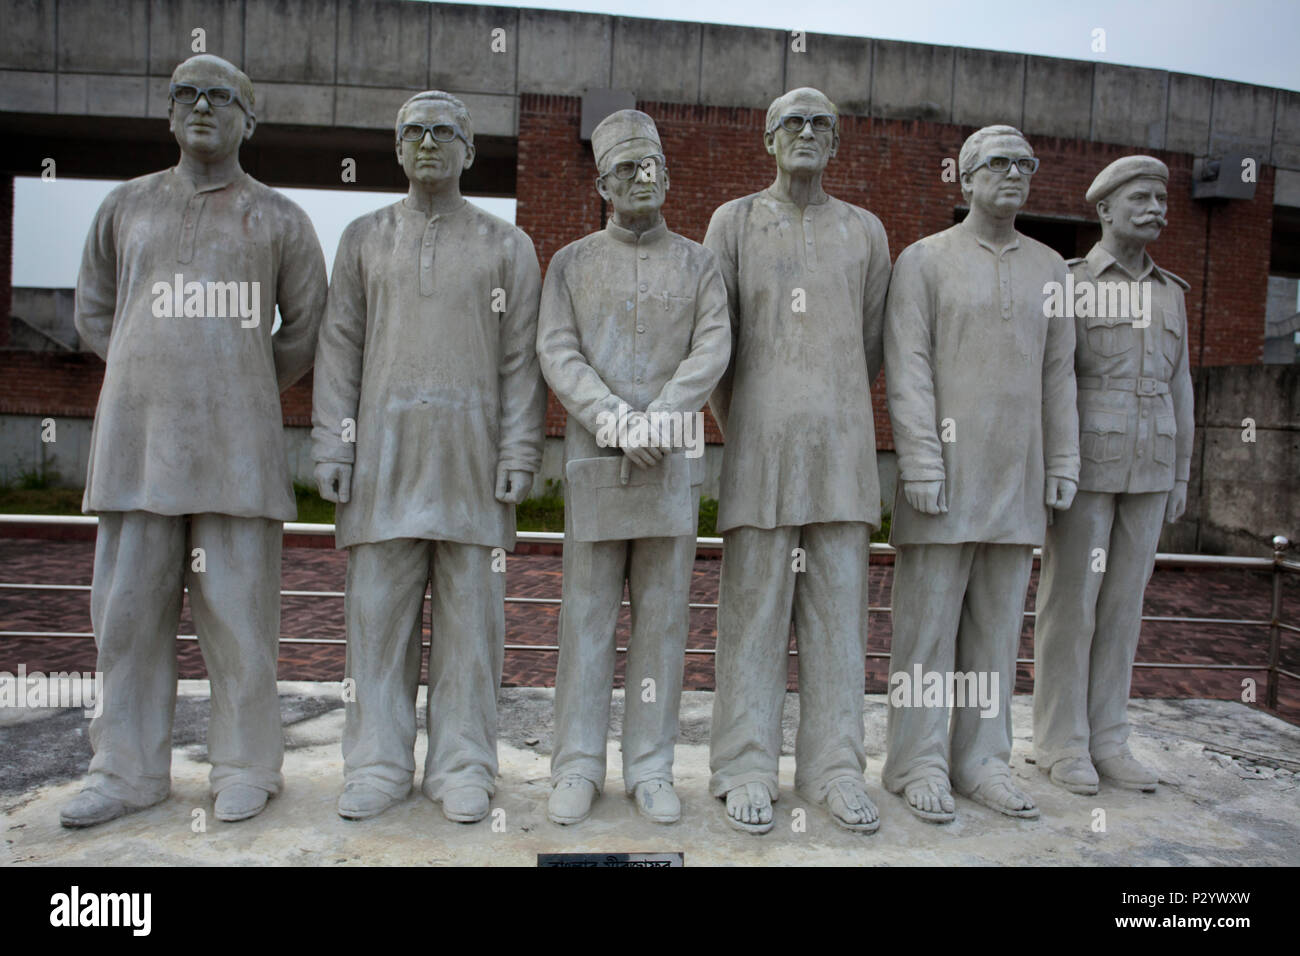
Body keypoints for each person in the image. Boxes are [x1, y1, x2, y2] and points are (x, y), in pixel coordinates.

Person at [64, 54, 327, 827]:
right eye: (188, 94)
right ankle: (124, 768)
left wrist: (232, 379)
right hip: (137, 444)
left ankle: (246, 764)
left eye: (223, 97)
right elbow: (94, 313)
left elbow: (305, 329)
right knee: (126, 615)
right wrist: (158, 372)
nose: (203, 107)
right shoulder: (126, 207)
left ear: (251, 119)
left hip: (237, 450)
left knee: (240, 617)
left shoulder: (280, 219)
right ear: (170, 111)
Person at [311, 91, 545, 823]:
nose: (430, 142)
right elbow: (339, 346)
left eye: (446, 132)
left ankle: (464, 763)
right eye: (415, 131)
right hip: (382, 464)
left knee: (473, 633)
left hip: (473, 465)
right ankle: (377, 762)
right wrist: (334, 443)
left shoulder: (507, 246)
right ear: (398, 146)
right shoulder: (363, 238)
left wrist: (519, 447)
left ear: (471, 150)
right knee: (377, 628)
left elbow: (522, 362)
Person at [705, 88, 891, 835]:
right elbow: (715, 346)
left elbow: (870, 344)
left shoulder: (865, 232)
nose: (808, 133)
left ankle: (835, 766)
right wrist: (749, 422)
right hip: (759, 451)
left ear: (837, 142)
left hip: (843, 456)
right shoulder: (735, 223)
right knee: (751, 617)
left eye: (823, 124)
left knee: (840, 619)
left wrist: (829, 409)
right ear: (769, 139)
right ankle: (744, 764)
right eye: (793, 123)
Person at [537, 109, 730, 825]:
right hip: (596, 459)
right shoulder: (572, 263)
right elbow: (558, 351)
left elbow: (712, 349)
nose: (640, 179)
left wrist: (662, 419)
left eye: (650, 167)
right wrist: (617, 420)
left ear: (668, 177)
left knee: (662, 619)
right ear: (601, 183)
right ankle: (578, 764)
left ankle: (650, 764)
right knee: (585, 618)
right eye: (625, 170)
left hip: (670, 465)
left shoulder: (699, 264)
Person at [882, 124, 1079, 823]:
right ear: (964, 177)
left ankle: (981, 757)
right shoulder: (924, 261)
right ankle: (918, 759)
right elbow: (906, 371)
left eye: (1025, 163)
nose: (1014, 173)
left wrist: (1061, 459)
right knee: (928, 631)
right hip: (944, 477)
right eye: (997, 162)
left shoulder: (1052, 268)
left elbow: (1060, 372)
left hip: (1014, 476)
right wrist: (922, 461)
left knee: (998, 630)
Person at [1033, 156, 1192, 795]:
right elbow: (1055, 381)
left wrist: (1180, 473)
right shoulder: (1072, 282)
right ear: (1103, 209)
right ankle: (1062, 742)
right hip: (1088, 468)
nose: (1155, 208)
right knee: (1072, 606)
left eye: (1160, 198)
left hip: (1150, 465)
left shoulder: (1171, 292)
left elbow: (1180, 386)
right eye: (1140, 198)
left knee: (1124, 607)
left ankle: (1109, 738)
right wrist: (1057, 462)